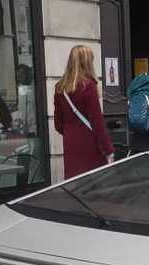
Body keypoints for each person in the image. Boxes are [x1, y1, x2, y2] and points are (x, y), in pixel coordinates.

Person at [54, 45, 114, 180]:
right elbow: (97, 122)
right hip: (90, 145)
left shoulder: (60, 88)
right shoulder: (88, 87)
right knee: (92, 186)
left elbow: (58, 124)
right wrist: (108, 150)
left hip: (70, 144)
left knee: (74, 184)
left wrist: (71, 132)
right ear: (87, 62)